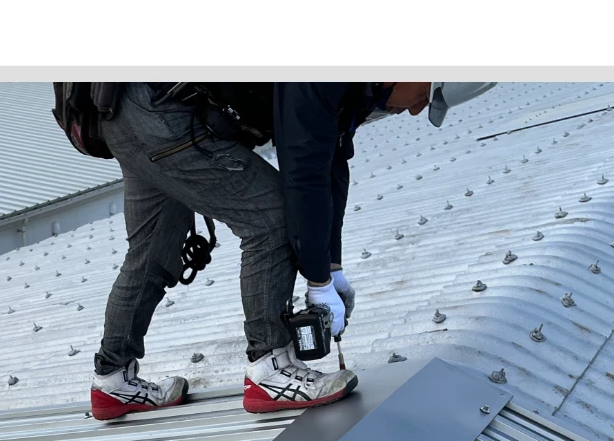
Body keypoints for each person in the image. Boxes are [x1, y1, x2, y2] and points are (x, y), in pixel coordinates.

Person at [88, 82, 449, 420]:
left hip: (126, 111)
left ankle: (113, 379)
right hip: (161, 112)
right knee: (273, 219)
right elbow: (303, 174)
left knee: (151, 252)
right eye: (427, 94)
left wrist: (331, 267)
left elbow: (330, 164)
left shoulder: (357, 86)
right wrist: (318, 282)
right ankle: (271, 368)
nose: (417, 109)